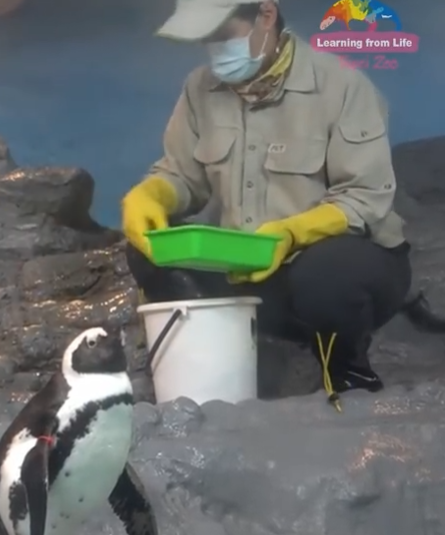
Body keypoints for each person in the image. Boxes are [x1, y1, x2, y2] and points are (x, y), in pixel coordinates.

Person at [122, 0, 424, 409]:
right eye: (205, 40)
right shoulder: (199, 89)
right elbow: (181, 174)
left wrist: (291, 233)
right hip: (244, 266)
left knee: (331, 274)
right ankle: (204, 361)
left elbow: (365, 197)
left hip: (329, 264)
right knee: (148, 247)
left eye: (222, 34)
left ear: (265, 15)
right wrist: (150, 194)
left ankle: (347, 374)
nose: (213, 49)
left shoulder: (341, 86)